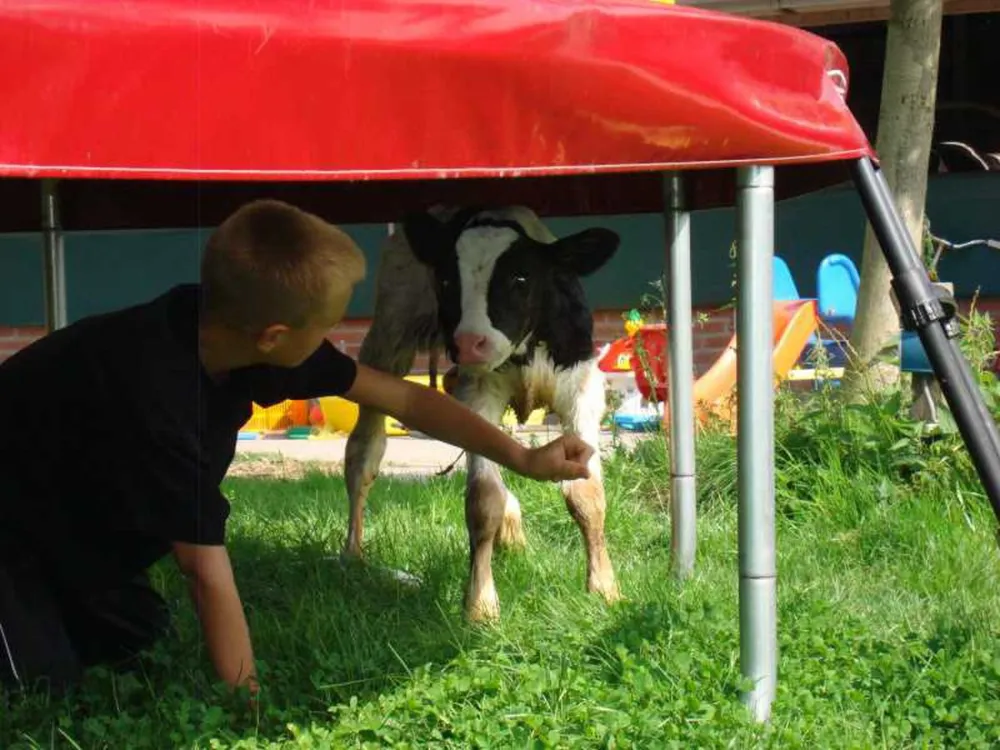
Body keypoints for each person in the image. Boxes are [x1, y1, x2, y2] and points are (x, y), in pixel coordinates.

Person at [0, 199, 594, 696]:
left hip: (75, 523)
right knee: (41, 687)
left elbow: (406, 400)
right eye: (326, 327)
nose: (332, 341)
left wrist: (523, 459)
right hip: (14, 530)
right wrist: (247, 706)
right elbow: (205, 571)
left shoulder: (230, 328)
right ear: (275, 337)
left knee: (138, 643)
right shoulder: (162, 400)